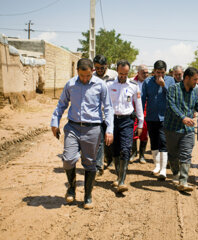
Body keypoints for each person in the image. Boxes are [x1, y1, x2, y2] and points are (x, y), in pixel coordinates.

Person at [50, 58, 114, 209]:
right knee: (68, 159)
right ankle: (71, 187)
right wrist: (55, 121)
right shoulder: (71, 84)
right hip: (72, 127)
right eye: (81, 75)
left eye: (88, 75)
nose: (85, 79)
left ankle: (87, 195)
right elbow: (61, 105)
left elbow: (108, 108)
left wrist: (109, 129)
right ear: (77, 71)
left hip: (92, 129)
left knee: (90, 163)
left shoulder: (100, 85)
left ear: (92, 71)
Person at [107, 60, 144, 192]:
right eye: (121, 73)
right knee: (115, 150)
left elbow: (138, 106)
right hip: (112, 121)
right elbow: (104, 104)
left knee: (126, 149)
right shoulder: (109, 84)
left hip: (127, 121)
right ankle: (118, 176)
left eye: (126, 73)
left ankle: (122, 181)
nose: (123, 76)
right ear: (117, 71)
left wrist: (140, 124)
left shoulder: (133, 86)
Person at [142, 60, 175, 180]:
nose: (160, 75)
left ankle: (163, 170)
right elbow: (143, 99)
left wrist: (163, 85)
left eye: (162, 72)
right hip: (151, 116)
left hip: (165, 117)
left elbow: (172, 95)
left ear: (165, 71)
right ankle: (156, 166)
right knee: (154, 142)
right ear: (154, 71)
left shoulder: (170, 81)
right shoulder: (147, 81)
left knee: (164, 142)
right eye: (157, 72)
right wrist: (141, 115)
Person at [92, 55, 118, 174]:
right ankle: (99, 166)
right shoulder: (92, 77)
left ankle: (111, 159)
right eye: (97, 67)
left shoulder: (114, 75)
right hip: (98, 113)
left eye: (102, 67)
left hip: (113, 112)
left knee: (110, 139)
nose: (100, 70)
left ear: (106, 66)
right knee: (99, 139)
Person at [130, 64, 149, 164]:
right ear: (138, 73)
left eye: (147, 73)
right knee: (133, 132)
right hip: (133, 110)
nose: (146, 75)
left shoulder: (150, 82)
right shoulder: (132, 81)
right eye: (143, 73)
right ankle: (134, 153)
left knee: (144, 132)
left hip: (145, 110)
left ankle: (142, 155)